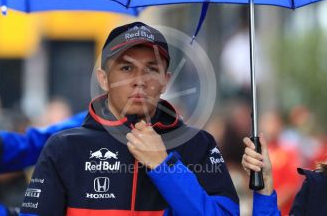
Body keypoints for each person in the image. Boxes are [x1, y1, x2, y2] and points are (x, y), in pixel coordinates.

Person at [20, 22, 239, 215]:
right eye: (126, 68)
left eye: (151, 69)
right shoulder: (64, 146)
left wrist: (164, 166)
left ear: (165, 81)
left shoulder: (198, 144)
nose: (139, 80)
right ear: (103, 79)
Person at [242, 134, 327, 215]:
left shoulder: (287, 152)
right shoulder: (317, 185)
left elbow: (291, 185)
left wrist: (279, 201)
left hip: (284, 208)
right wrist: (264, 183)